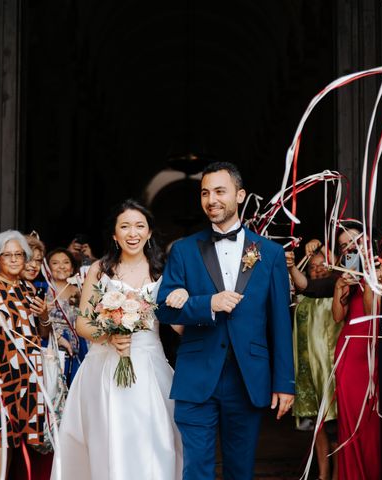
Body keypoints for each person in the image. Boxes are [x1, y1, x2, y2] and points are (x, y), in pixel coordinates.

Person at [157, 161, 295, 480]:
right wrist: (208, 304)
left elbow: (280, 322)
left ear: (240, 195)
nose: (211, 199)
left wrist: (284, 382)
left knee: (240, 470)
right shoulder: (184, 250)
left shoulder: (270, 254)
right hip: (196, 375)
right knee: (197, 469)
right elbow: (165, 310)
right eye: (205, 193)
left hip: (247, 378)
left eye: (220, 191)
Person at [52, 199, 183, 480]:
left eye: (139, 226)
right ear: (114, 234)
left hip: (150, 364)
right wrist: (109, 334)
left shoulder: (164, 270)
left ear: (149, 233)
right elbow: (83, 323)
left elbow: (175, 322)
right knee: (105, 440)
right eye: (124, 226)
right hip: (104, 366)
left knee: (155, 440)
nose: (132, 233)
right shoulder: (100, 270)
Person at [0, 230, 51, 479]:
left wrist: (45, 315)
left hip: (27, 370)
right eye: (9, 255)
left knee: (17, 435)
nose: (15, 259)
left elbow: (42, 331)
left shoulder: (28, 287)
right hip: (0, 368)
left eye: (20, 254)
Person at [287, 242, 340, 480]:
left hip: (329, 366)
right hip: (306, 366)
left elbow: (334, 268)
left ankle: (339, 472)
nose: (318, 270)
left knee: (335, 423)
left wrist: (321, 243)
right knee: (317, 424)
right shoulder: (301, 293)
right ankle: (323, 473)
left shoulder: (333, 289)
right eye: (313, 266)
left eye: (323, 266)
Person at [332, 220, 380, 480]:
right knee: (351, 422)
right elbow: (338, 317)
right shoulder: (345, 276)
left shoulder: (381, 271)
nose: (349, 248)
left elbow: (373, 309)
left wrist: (370, 276)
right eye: (343, 246)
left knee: (372, 425)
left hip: (374, 355)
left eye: (355, 242)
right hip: (349, 354)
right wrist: (341, 289)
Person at [45, 247, 87, 384]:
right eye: (55, 263)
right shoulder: (42, 289)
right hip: (51, 349)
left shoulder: (80, 291)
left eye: (66, 262)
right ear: (47, 267)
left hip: (77, 350)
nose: (61, 266)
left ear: (72, 267)